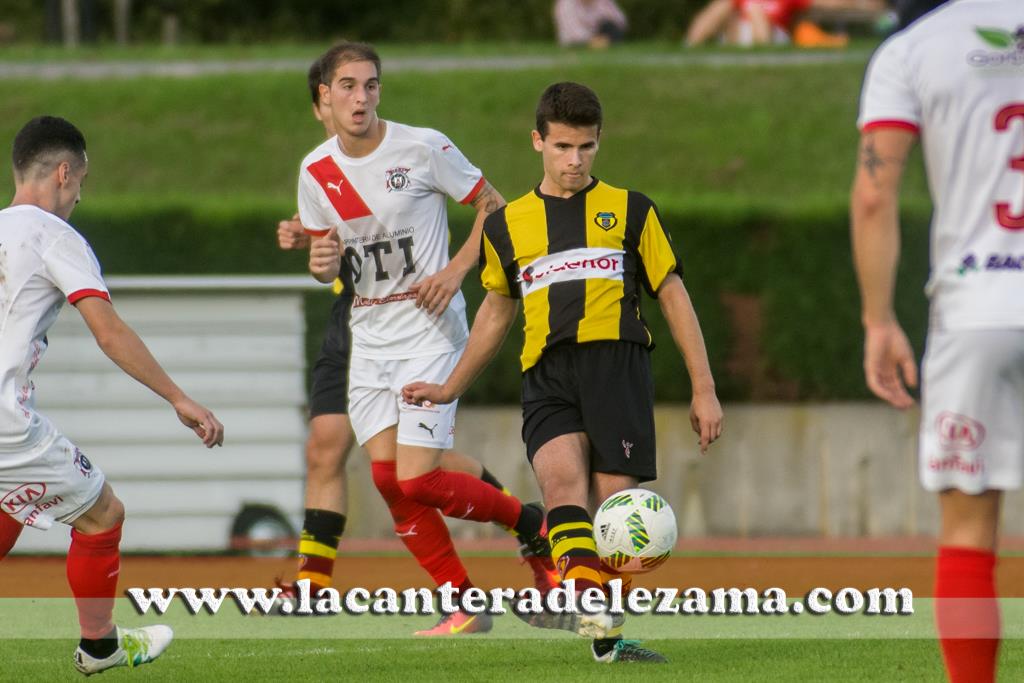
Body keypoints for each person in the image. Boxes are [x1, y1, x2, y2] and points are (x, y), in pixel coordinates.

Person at [403, 82, 723, 663]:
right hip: (546, 372)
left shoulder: (633, 210)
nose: (574, 161)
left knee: (616, 509)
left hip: (617, 367)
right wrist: (450, 388)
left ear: (599, 144)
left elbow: (673, 295)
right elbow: (496, 312)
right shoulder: (507, 226)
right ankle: (598, 627)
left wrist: (704, 389)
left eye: (586, 147)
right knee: (561, 490)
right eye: (562, 147)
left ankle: (598, 620)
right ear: (538, 142)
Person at [275, 55, 557, 612]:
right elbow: (327, 265)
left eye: (371, 86)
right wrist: (320, 262)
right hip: (369, 337)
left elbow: (492, 206)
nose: (361, 99)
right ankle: (463, 604)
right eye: (348, 87)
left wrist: (455, 272)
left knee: (418, 479)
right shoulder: (315, 171)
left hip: (429, 334)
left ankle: (536, 527)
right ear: (324, 99)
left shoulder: (421, 146)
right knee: (389, 480)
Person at [0, 116, 225, 673]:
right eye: (80, 181)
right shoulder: (56, 236)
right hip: (4, 422)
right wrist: (179, 397)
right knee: (103, 513)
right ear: (62, 173)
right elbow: (109, 331)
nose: (79, 195)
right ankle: (100, 645)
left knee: (7, 506)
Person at [850, 2, 1023, 680]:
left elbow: (874, 195)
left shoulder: (912, 49)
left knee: (969, 534)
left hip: (975, 311)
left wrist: (877, 319)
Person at [685, 0, 883, 48]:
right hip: (738, 34)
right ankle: (690, 46)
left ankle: (760, 50)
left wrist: (865, 3)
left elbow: (831, 3)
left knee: (754, 10)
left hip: (773, 34)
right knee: (724, 4)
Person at [553, 0, 628, 49]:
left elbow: (620, 21)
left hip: (601, 38)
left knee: (610, 26)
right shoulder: (566, 3)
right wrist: (593, 41)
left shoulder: (603, 2)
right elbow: (573, 32)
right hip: (575, 43)